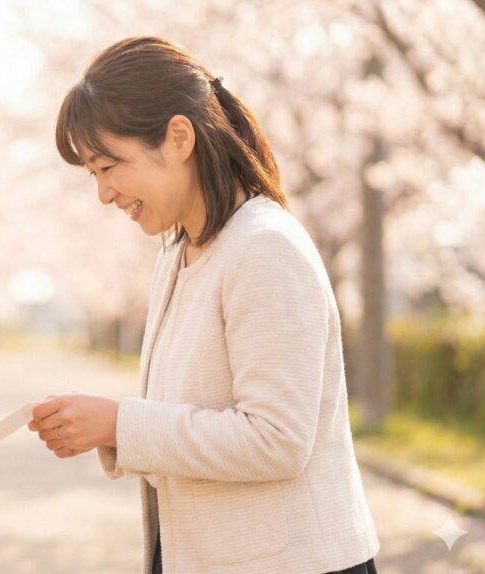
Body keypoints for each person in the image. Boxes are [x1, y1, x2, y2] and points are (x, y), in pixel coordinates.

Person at [28, 37, 379, 573]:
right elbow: (196, 414)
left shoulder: (264, 248)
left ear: (178, 138)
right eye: (93, 174)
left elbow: (277, 440)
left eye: (109, 166)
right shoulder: (178, 255)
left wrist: (119, 424)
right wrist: (107, 424)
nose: (103, 194)